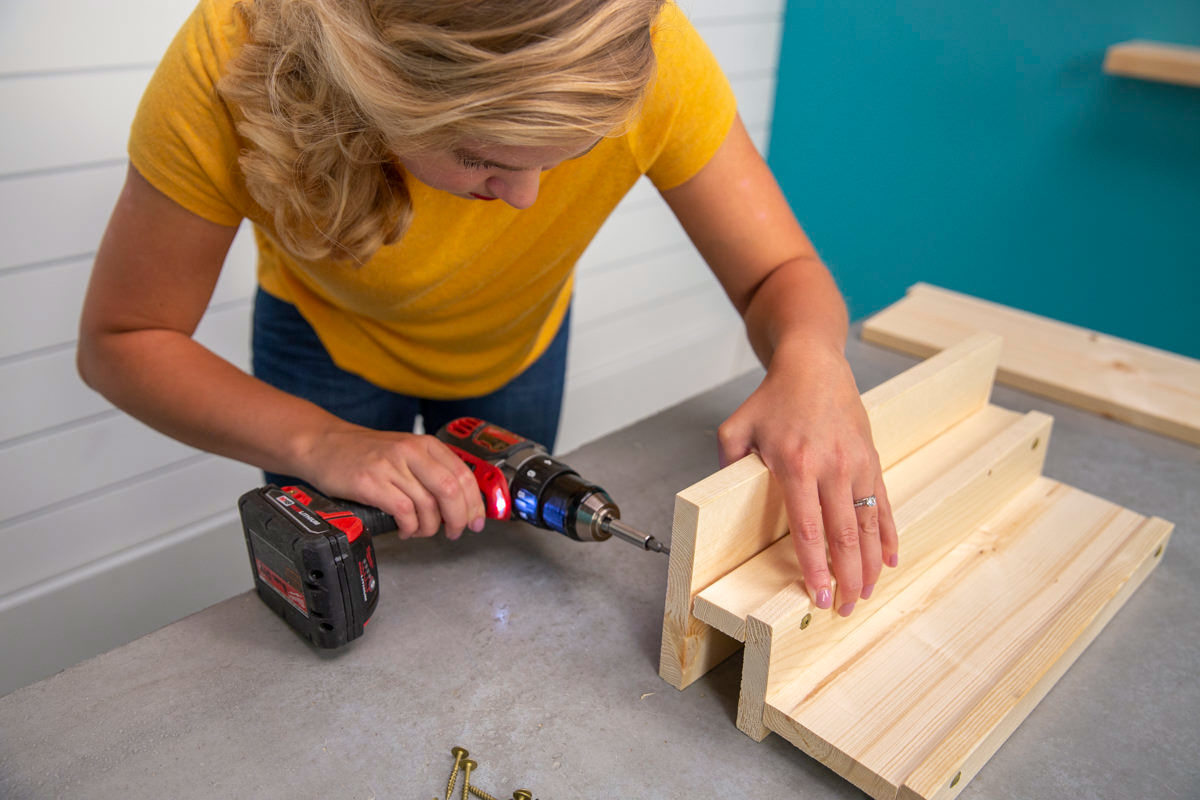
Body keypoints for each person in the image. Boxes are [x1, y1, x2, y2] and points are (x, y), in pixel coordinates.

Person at [77, 0, 897, 618]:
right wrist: (323, 442)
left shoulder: (640, 48)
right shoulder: (231, 53)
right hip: (321, 348)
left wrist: (813, 360)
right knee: (344, 598)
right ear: (375, 89)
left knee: (494, 588)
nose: (525, 201)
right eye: (481, 158)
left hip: (516, 346)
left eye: (571, 156)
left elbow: (780, 272)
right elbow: (125, 338)